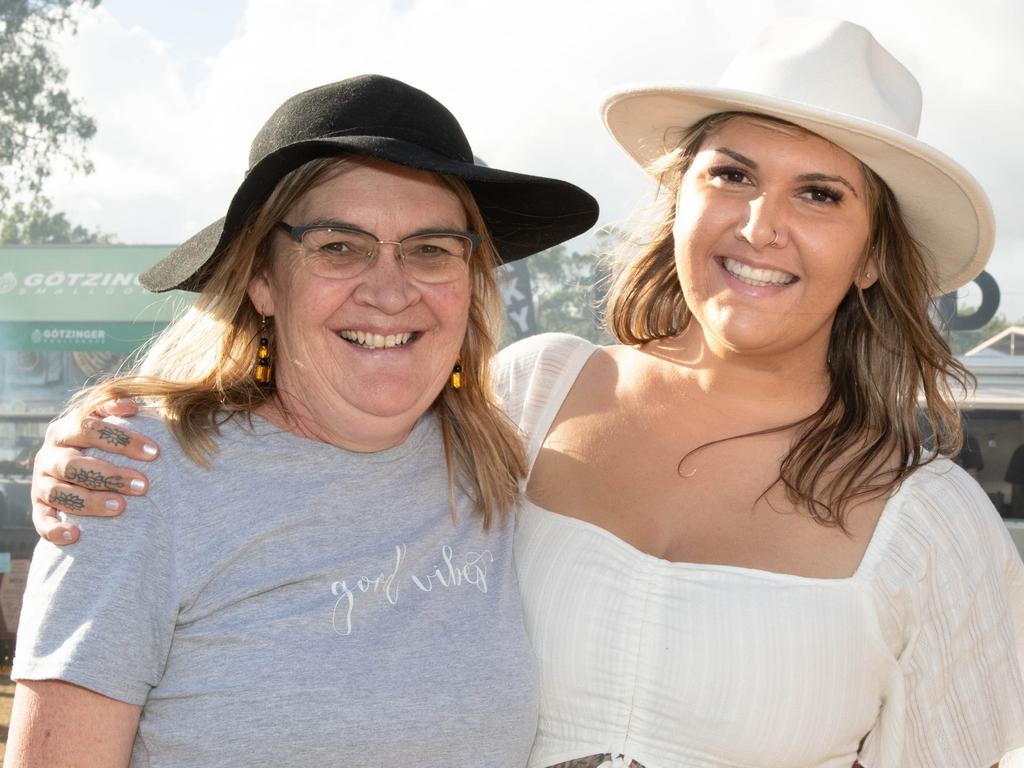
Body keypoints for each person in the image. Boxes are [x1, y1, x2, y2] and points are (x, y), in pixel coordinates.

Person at [26, 20, 1024, 768]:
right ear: (681, 202)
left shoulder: (931, 529)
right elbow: (305, 443)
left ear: (869, 258)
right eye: (731, 174)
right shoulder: (530, 395)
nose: (761, 225)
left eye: (820, 193)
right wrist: (105, 435)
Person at [6, 74, 598, 768]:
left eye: (431, 248)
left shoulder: (503, 464)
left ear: (470, 282)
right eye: (338, 246)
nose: (389, 289)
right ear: (261, 279)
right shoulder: (139, 477)